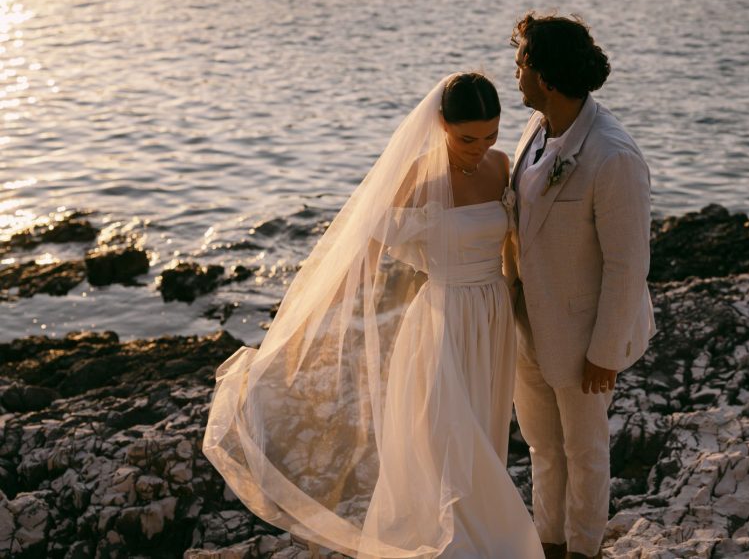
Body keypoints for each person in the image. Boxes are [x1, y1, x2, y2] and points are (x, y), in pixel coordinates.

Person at [203, 73, 544, 558]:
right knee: (449, 434)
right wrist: (313, 317)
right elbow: (365, 245)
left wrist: (518, 297)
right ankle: (457, 542)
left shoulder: (500, 164)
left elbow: (511, 243)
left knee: (484, 431)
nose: (479, 148)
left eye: (489, 135)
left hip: (492, 317)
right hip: (443, 319)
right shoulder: (418, 178)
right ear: (442, 124)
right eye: (467, 138)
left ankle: (479, 534)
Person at [508, 14, 656, 559]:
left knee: (585, 451)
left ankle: (585, 551)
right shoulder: (537, 127)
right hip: (528, 323)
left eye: (521, 63)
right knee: (543, 448)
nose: (515, 74)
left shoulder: (613, 155)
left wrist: (604, 352)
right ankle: (549, 544)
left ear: (545, 76)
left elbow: (628, 265)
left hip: (582, 335)